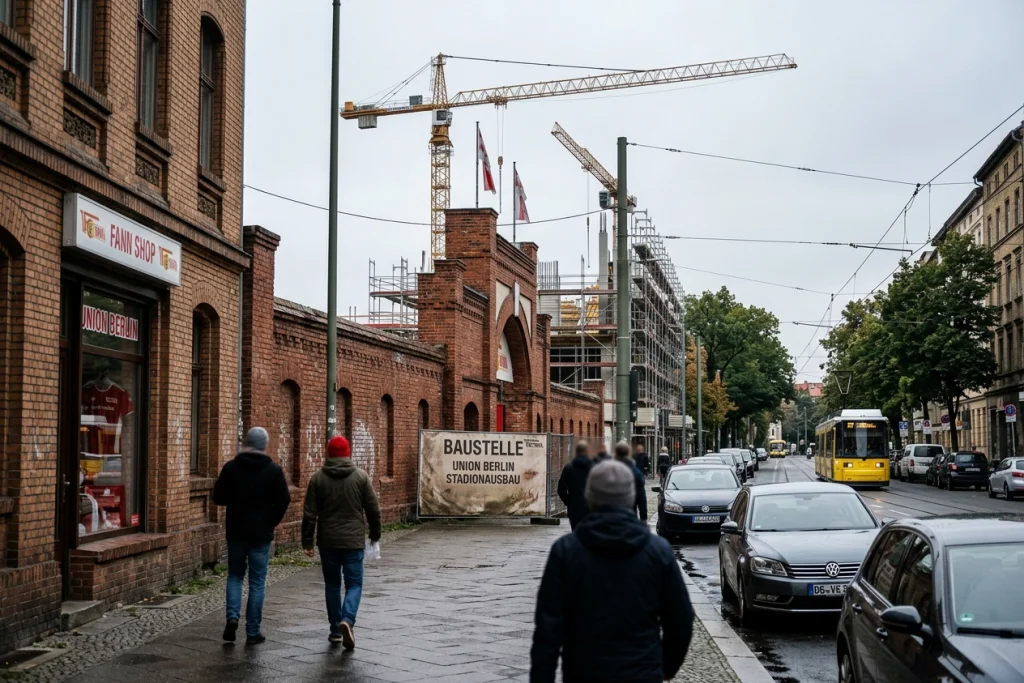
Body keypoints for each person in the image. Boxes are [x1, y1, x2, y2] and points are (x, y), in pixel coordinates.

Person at [531, 460, 694, 683]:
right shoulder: (658, 552)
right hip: (642, 672)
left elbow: (547, 631)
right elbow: (681, 620)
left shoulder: (566, 552)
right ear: (631, 497)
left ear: (590, 496)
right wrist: (667, 667)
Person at [213, 427, 291, 645]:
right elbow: (284, 500)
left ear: (246, 442)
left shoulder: (231, 467)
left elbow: (217, 497)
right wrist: (271, 520)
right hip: (260, 534)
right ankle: (253, 631)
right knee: (257, 582)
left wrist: (236, 498)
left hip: (236, 531)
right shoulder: (273, 470)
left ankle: (232, 618)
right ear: (264, 445)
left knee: (235, 576)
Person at [302, 435, 381, 650]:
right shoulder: (361, 477)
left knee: (333, 585)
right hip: (353, 541)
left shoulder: (318, 478)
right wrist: (375, 534)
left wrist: (307, 541)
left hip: (327, 541)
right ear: (347, 454)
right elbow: (373, 509)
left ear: (329, 454)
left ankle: (336, 630)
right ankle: (348, 619)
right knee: (354, 584)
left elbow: (310, 513)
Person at [557, 440, 593, 530]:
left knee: (576, 534)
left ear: (576, 452)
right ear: (587, 451)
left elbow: (561, 489)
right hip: (591, 508)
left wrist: (569, 502)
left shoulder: (569, 468)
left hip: (574, 508)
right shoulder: (595, 467)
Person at [614, 441, 647, 523]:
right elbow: (641, 497)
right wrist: (644, 518)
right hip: (629, 515)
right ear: (628, 453)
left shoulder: (605, 471)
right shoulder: (635, 473)